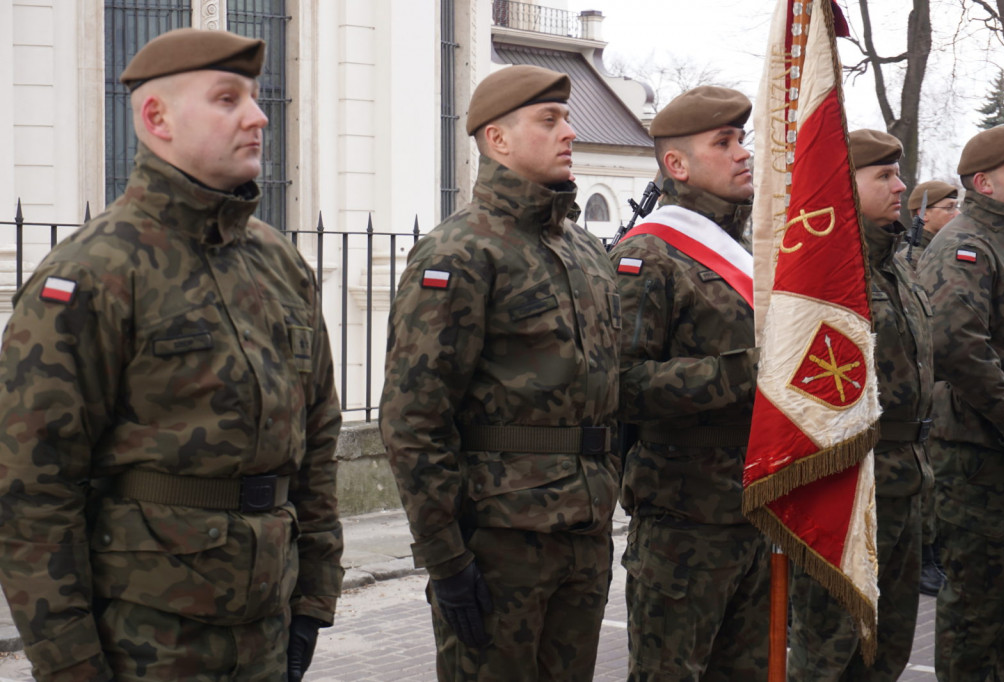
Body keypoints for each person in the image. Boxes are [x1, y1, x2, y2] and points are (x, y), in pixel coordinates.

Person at [0, 28, 343, 682]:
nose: (259, 115)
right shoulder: (92, 275)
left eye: (256, 96)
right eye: (227, 98)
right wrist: (71, 665)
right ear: (157, 118)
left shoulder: (280, 266)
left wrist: (315, 594)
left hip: (267, 630)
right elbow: (31, 492)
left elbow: (318, 437)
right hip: (145, 641)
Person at [378, 65, 621, 680]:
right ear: (498, 139)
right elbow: (414, 420)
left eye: (566, 118)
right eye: (550, 120)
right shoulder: (459, 252)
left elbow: (610, 393)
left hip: (585, 536)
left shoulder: (588, 254)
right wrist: (446, 560)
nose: (569, 132)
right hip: (500, 544)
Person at [609, 85, 769, 680]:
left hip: (755, 507)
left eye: (741, 140)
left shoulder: (746, 250)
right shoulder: (650, 257)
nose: (742, 153)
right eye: (723, 142)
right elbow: (621, 384)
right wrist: (746, 372)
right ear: (676, 164)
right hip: (684, 523)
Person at [788, 129, 934, 681]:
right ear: (843, 185)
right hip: (849, 492)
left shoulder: (898, 265)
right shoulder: (821, 271)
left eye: (898, 173)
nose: (901, 186)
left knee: (888, 650)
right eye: (884, 175)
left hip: (908, 482)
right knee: (827, 653)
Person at [917, 125, 1004, 681]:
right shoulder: (966, 244)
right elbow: (956, 344)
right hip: (977, 452)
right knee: (977, 609)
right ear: (983, 182)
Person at [899, 179, 959, 599]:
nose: (956, 214)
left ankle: (931, 554)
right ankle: (924, 559)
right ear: (925, 213)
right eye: (948, 207)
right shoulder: (910, 256)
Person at [899, 179, 960, 270]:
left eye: (956, 207)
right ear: (923, 214)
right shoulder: (909, 261)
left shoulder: (950, 252)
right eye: (949, 207)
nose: (958, 214)